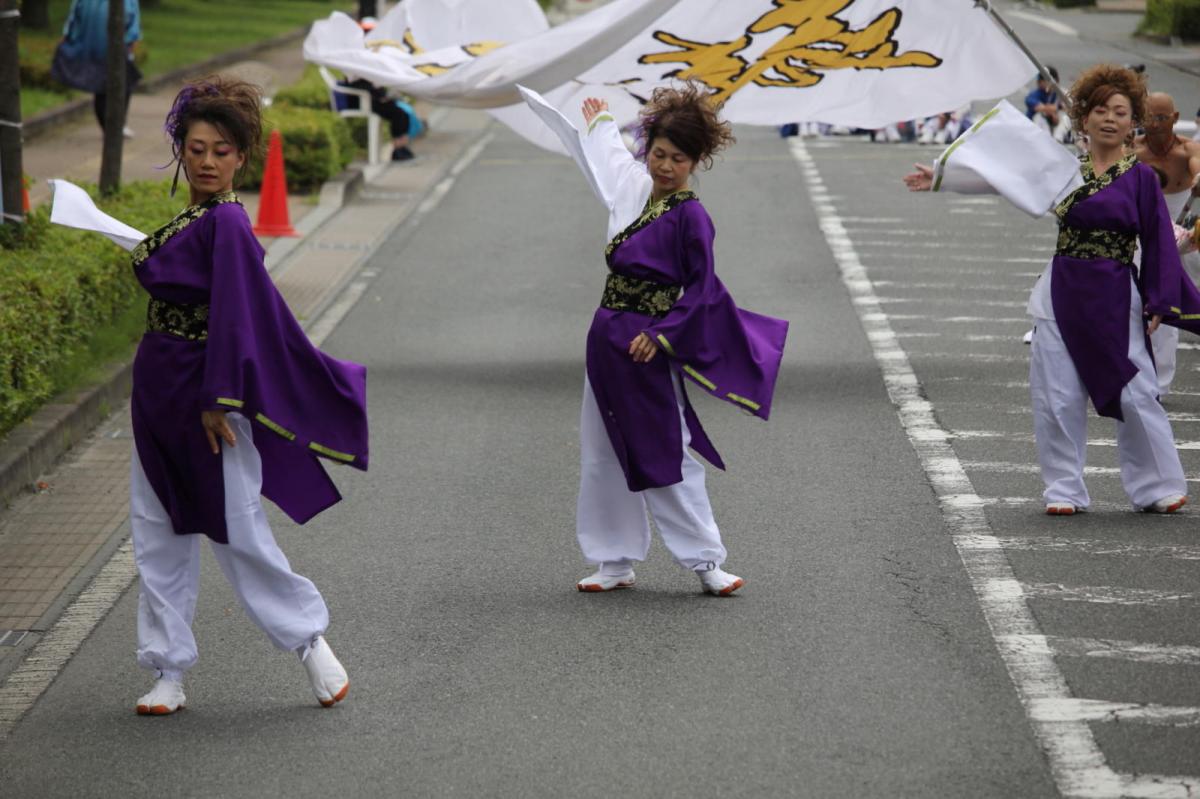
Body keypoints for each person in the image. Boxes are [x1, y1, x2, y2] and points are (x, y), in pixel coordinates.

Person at [128, 77, 368, 715]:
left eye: (221, 151)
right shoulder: (194, 218)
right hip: (156, 388)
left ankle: (309, 642)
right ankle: (167, 669)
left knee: (238, 528)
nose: (207, 161)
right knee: (156, 529)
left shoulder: (229, 221)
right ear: (181, 150)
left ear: (241, 157)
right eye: (196, 149)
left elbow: (236, 316)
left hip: (206, 394)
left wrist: (219, 398)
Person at [529, 85, 788, 595]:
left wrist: (663, 334)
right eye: (659, 154)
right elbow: (607, 160)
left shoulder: (692, 217)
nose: (665, 166)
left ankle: (706, 560)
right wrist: (602, 123)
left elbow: (704, 289)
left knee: (667, 447)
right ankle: (613, 559)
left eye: (678, 159)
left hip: (647, 344)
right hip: (606, 337)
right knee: (601, 449)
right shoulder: (633, 188)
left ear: (697, 161)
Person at [905, 65, 1197, 516]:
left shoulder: (1140, 178)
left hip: (1117, 295)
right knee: (1056, 395)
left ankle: (1156, 486)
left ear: (1132, 123)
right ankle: (1064, 489)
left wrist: (1159, 298)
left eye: (1120, 112)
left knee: (1136, 390)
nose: (1109, 119)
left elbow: (1158, 238)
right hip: (1060, 292)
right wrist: (943, 179)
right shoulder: (1064, 169)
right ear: (1084, 119)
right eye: (1100, 110)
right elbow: (1004, 180)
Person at [1133, 91, 1200, 394]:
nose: (1155, 124)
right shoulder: (1133, 150)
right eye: (1149, 118)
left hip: (1182, 231)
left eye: (1161, 118)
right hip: (1146, 228)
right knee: (1146, 298)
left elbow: (1197, 165)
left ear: (1175, 118)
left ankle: (1159, 382)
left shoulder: (1188, 150)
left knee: (1184, 298)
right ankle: (1150, 380)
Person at [54, 0, 141, 138]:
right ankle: (112, 129)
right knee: (104, 89)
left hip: (114, 48)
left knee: (119, 86)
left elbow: (133, 19)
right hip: (100, 47)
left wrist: (132, 39)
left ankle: (115, 126)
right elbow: (74, 16)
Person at [1025, 66, 1070, 143]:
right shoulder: (1033, 95)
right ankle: (1045, 141)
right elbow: (1040, 108)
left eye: (1041, 80)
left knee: (1065, 117)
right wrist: (1057, 109)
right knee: (1039, 116)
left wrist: (1056, 112)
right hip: (1033, 128)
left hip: (1052, 124)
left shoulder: (1061, 92)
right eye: (1039, 80)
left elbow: (1072, 107)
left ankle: (1058, 139)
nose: (1038, 82)